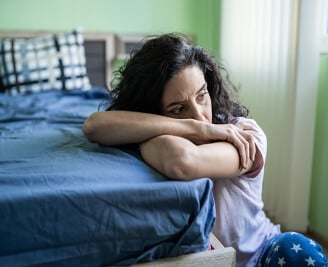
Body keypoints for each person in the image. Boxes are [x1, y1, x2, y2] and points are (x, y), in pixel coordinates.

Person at [83, 33, 327, 267]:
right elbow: (94, 126)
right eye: (178, 108)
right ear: (153, 111)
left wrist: (165, 128)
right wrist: (196, 129)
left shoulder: (244, 135)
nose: (199, 116)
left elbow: (182, 160)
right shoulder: (187, 130)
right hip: (209, 259)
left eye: (202, 95)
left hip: (262, 255)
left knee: (294, 248)